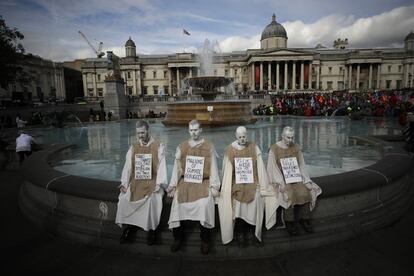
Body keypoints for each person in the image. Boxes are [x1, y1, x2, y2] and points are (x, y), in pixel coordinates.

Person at [167, 119, 221, 254]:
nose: (194, 133)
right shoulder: (182, 147)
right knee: (177, 203)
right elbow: (177, 169)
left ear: (201, 130)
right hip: (187, 182)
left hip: (202, 182)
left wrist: (214, 185)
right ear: (188, 130)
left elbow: (214, 167)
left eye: (196, 130)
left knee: (204, 204)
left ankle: (205, 239)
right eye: (191, 130)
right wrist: (173, 185)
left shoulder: (209, 146)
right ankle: (178, 238)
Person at [115, 120, 168, 245]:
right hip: (137, 182)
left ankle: (152, 230)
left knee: (152, 200)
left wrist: (159, 183)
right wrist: (124, 183)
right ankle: (128, 228)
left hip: (153, 181)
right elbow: (128, 167)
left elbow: (162, 167)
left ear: (148, 130)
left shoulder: (158, 147)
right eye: (138, 133)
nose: (140, 136)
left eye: (142, 133)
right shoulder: (133, 148)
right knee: (124, 199)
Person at [218, 126, 270, 247]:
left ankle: (252, 231)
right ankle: (240, 233)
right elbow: (227, 172)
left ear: (247, 135)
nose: (242, 139)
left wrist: (262, 185)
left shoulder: (254, 147)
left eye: (244, 136)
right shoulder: (230, 149)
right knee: (238, 200)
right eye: (240, 137)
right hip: (237, 182)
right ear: (236, 136)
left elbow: (260, 168)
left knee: (256, 197)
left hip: (252, 181)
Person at [266, 126, 322, 236]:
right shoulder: (274, 149)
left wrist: (306, 180)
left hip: (295, 177)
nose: (290, 140)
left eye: (292, 138)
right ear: (282, 136)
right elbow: (272, 168)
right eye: (288, 137)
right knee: (288, 194)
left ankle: (305, 219)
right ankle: (289, 222)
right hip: (282, 179)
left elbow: (301, 165)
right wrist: (280, 183)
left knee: (305, 191)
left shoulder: (296, 147)